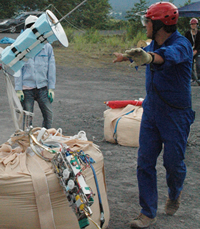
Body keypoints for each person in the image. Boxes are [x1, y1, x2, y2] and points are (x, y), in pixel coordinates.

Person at [113, 2, 195, 228]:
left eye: (147, 21)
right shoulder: (151, 44)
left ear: (159, 23)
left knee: (173, 165)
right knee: (144, 162)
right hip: (151, 112)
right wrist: (127, 57)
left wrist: (149, 58)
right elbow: (145, 54)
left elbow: (164, 56)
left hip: (176, 115)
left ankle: (175, 193)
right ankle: (147, 213)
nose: (145, 25)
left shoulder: (182, 45)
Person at [15, 15, 56, 130]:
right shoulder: (22, 47)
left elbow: (51, 68)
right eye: (29, 27)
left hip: (42, 88)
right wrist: (18, 89)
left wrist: (51, 88)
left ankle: (46, 135)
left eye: (34, 27)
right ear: (26, 29)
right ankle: (28, 139)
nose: (32, 29)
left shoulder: (47, 47)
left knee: (48, 114)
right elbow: (18, 68)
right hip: (27, 89)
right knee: (28, 117)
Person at [185, 18, 200, 85]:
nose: (193, 26)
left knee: (198, 64)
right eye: (192, 24)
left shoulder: (199, 33)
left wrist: (196, 50)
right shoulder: (188, 33)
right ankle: (192, 78)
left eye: (194, 24)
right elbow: (186, 42)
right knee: (189, 63)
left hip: (198, 51)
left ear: (197, 25)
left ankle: (199, 78)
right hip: (190, 51)